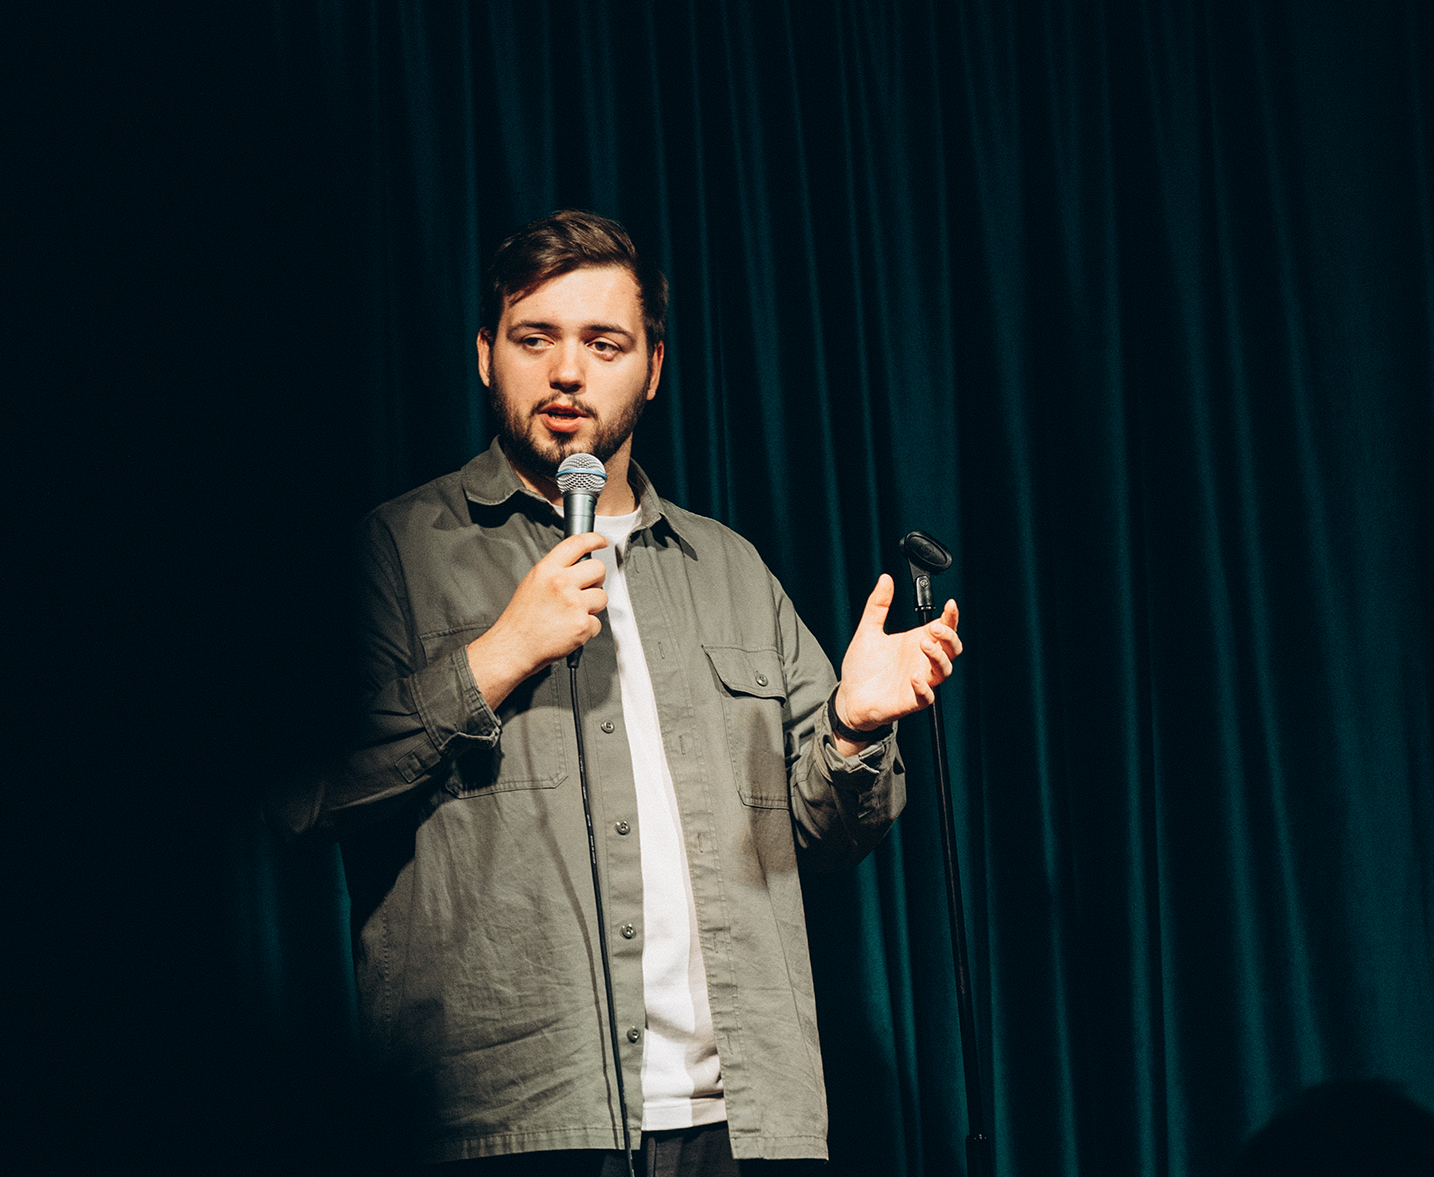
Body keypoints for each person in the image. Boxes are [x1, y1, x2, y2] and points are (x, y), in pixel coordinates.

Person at [275, 210, 961, 1172]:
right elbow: (302, 797)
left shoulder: (730, 569)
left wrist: (851, 728)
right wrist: (499, 654)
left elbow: (831, 836)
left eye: (603, 343)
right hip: (513, 1122)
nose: (567, 372)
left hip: (739, 1120)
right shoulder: (395, 551)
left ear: (652, 367)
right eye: (535, 339)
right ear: (485, 354)